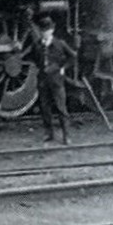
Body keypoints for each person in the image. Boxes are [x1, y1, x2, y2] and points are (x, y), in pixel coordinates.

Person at [33, 15, 76, 146]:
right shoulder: (38, 45)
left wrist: (63, 68)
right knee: (45, 108)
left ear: (52, 30)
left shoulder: (60, 44)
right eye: (42, 31)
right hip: (43, 81)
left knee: (61, 108)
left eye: (47, 30)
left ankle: (66, 135)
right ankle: (48, 133)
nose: (44, 33)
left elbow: (73, 57)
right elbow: (35, 59)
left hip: (56, 80)